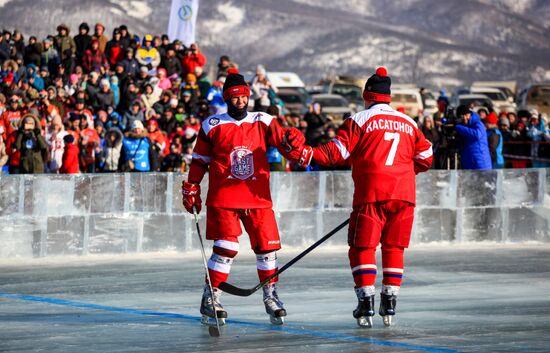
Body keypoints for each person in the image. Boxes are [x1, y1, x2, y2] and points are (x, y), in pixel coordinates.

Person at [285, 67, 433, 327]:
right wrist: (403, 174)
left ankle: (366, 304)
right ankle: (390, 302)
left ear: (367, 95)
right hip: (404, 195)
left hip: (372, 194)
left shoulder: (360, 120)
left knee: (362, 247)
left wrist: (306, 154)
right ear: (388, 97)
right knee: (394, 247)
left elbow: (335, 153)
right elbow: (426, 157)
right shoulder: (409, 122)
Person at [181, 69, 298, 326]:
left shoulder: (263, 120)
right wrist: (192, 186)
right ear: (226, 98)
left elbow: (284, 144)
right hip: (224, 197)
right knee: (226, 248)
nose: (240, 101)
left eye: (243, 97)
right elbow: (200, 160)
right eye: (234, 97)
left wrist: (294, 141)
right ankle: (211, 296)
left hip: (257, 198)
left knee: (267, 249)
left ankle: (271, 296)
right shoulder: (212, 125)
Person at [454, 104, 492, 170]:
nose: (463, 119)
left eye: (465, 116)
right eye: (460, 117)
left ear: (468, 114)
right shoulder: (465, 126)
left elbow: (477, 134)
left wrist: (459, 128)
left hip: (480, 162)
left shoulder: (477, 123)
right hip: (469, 162)